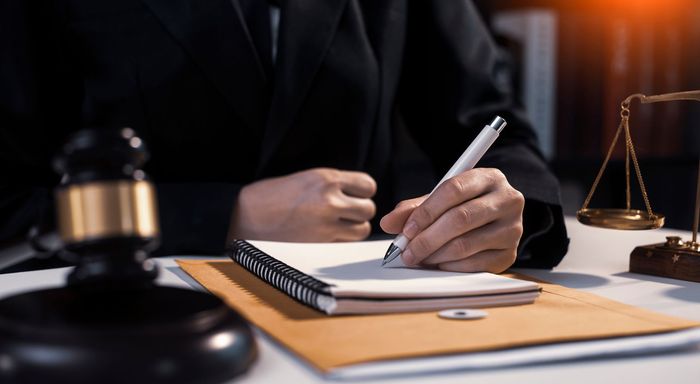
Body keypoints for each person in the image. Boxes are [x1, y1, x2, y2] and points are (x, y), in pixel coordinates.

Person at [0, 0, 568, 273]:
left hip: (361, 320)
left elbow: (496, 131)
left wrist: (494, 211)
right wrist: (222, 216)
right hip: (129, 323)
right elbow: (11, 207)